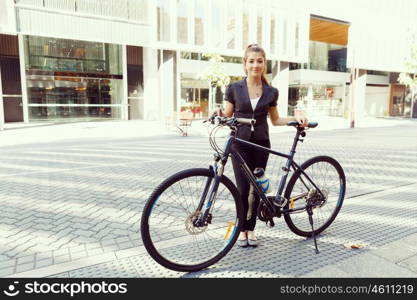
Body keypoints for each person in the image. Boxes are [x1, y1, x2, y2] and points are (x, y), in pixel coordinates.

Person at [215, 44, 308, 248]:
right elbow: (227, 114)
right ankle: (241, 229)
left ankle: (252, 229)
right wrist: (217, 114)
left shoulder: (271, 92)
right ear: (245, 64)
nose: (255, 65)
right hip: (239, 143)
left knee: (257, 189)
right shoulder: (234, 88)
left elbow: (275, 120)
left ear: (264, 64)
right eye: (251, 61)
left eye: (259, 61)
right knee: (242, 189)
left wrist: (296, 116)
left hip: (261, 144)